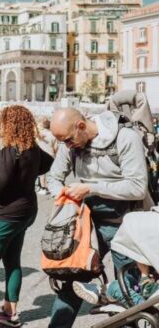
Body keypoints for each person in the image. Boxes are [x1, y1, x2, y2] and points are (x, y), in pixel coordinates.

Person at [45, 107, 150, 328]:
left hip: (127, 224)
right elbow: (54, 178)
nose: (67, 146)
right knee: (72, 281)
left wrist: (91, 188)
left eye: (68, 140)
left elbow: (138, 187)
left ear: (81, 126)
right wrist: (64, 196)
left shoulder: (125, 137)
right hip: (88, 227)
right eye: (62, 142)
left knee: (126, 291)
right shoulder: (70, 143)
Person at [0, 106, 54, 327]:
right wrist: (25, 176)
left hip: (4, 215)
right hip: (26, 212)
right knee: (13, 262)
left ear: (8, 125)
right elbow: (48, 164)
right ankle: (11, 312)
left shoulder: (10, 150)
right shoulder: (32, 149)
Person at [35, 116, 57, 195]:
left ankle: (43, 187)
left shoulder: (39, 135)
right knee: (50, 173)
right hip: (51, 155)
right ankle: (49, 187)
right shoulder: (52, 135)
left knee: (41, 173)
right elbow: (55, 147)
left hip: (41, 155)